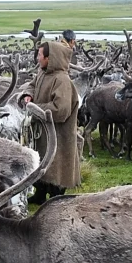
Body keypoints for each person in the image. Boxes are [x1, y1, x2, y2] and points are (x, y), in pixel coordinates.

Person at [23, 40, 80, 203]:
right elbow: (32, 85)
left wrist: (34, 108)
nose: (37, 58)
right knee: (42, 161)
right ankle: (40, 194)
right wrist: (28, 94)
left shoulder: (62, 80)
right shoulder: (43, 73)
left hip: (59, 134)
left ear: (50, 58)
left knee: (57, 165)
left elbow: (61, 111)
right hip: (44, 131)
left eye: (40, 55)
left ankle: (57, 198)